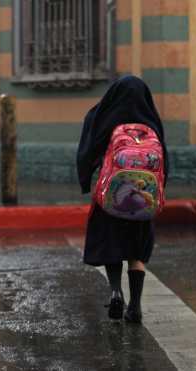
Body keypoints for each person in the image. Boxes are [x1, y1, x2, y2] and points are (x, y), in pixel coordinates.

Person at [76, 75, 169, 323]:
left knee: (111, 246)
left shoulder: (101, 115)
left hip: (111, 198)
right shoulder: (150, 119)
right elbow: (164, 160)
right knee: (136, 250)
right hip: (143, 199)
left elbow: (86, 152)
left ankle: (116, 293)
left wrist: (86, 181)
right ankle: (135, 306)